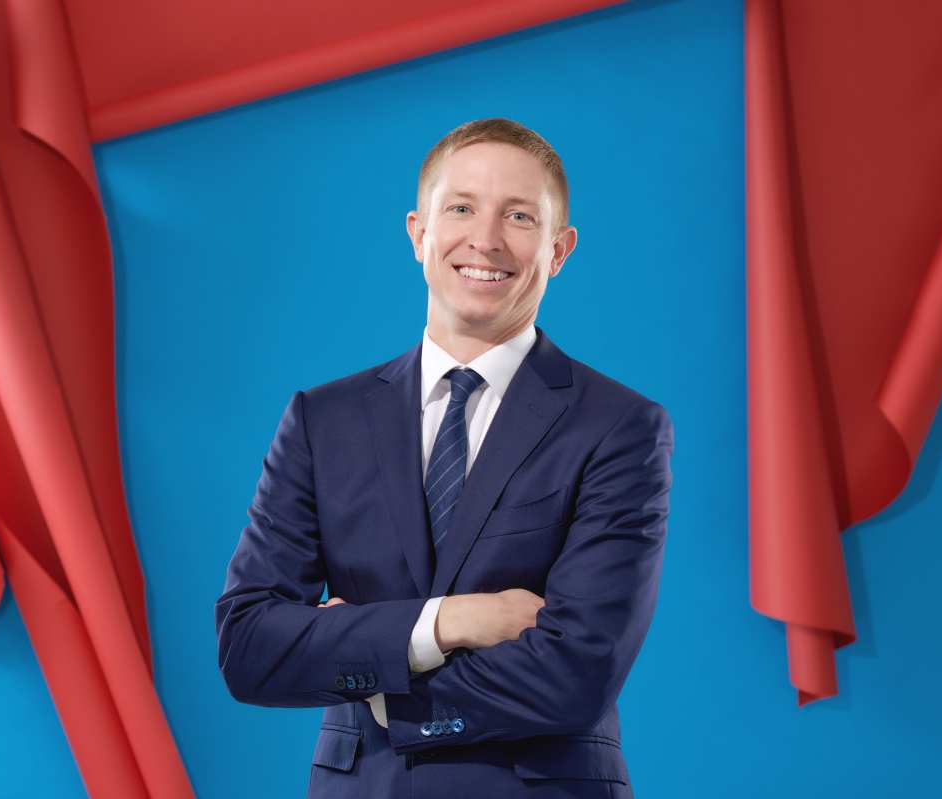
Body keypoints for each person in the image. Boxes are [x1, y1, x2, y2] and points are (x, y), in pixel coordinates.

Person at [215, 118, 673, 798]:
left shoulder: (619, 427)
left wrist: (369, 670)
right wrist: (445, 622)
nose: (484, 239)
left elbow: (577, 671)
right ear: (418, 233)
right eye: (460, 207)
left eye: (519, 216)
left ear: (558, 249)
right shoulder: (321, 419)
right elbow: (249, 647)